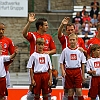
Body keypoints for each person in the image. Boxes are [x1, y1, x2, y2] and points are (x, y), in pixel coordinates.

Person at [22, 13, 56, 100]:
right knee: (32, 88)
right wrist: (29, 22)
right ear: (40, 26)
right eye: (45, 25)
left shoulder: (48, 37)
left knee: (46, 92)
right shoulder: (33, 35)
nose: (47, 27)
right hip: (34, 67)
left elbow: (54, 50)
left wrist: (47, 52)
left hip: (44, 67)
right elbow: (24, 34)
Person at [59, 33, 86, 100]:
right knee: (70, 91)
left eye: (73, 40)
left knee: (79, 91)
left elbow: (83, 63)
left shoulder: (80, 51)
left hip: (77, 71)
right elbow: (61, 62)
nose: (72, 41)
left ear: (76, 40)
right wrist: (62, 71)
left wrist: (83, 75)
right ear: (68, 41)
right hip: (68, 71)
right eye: (70, 40)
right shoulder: (65, 50)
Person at [0, 23, 15, 99]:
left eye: (2, 29)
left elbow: (12, 55)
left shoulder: (8, 41)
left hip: (4, 71)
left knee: (5, 94)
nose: (1, 31)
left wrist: (7, 64)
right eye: (0, 29)